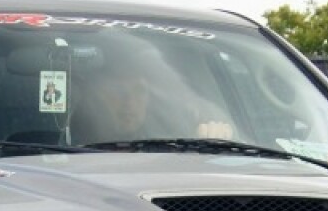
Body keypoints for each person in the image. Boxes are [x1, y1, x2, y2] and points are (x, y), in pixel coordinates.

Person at [72, 44, 233, 144]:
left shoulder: (173, 144)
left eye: (139, 91)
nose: (130, 102)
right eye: (119, 91)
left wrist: (215, 142)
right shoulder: (64, 145)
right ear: (95, 95)